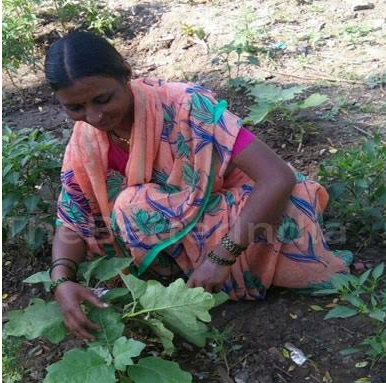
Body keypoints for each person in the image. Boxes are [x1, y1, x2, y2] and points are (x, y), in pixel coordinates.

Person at [44, 31, 349, 340]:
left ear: (125, 74)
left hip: (231, 217)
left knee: (290, 213)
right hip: (175, 232)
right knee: (128, 210)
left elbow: (277, 178)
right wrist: (61, 281)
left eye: (103, 99)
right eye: (75, 108)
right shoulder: (85, 142)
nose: (94, 116)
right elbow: (72, 220)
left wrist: (221, 257)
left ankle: (200, 271)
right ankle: (182, 273)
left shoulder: (186, 105)